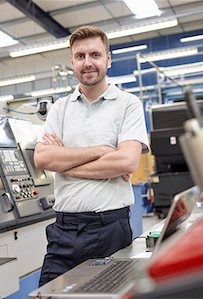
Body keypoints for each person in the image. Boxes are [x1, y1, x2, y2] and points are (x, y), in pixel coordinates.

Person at [34, 25, 149, 286]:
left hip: (109, 228)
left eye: (95, 55)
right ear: (72, 62)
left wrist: (63, 162)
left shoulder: (128, 104)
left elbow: (127, 161)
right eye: (80, 56)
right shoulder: (60, 109)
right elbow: (42, 159)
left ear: (108, 59)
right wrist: (104, 152)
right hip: (62, 231)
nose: (88, 63)